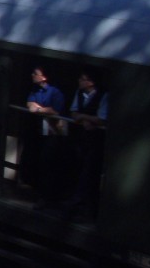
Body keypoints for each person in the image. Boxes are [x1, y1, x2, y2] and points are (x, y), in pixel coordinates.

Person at [22, 66, 67, 205]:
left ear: (44, 77)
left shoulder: (55, 92)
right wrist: (37, 108)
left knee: (48, 163)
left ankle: (48, 197)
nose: (32, 75)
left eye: (35, 73)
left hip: (53, 133)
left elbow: (55, 110)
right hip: (39, 132)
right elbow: (29, 104)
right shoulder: (35, 90)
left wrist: (40, 109)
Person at [67, 71, 108, 218]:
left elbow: (102, 119)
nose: (79, 81)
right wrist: (86, 119)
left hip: (95, 141)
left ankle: (86, 208)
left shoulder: (103, 96)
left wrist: (84, 117)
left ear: (91, 82)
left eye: (82, 79)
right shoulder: (79, 93)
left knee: (89, 173)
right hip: (80, 139)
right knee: (78, 169)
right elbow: (73, 113)